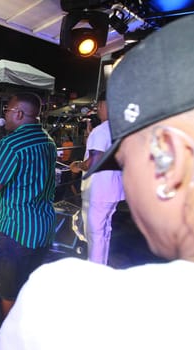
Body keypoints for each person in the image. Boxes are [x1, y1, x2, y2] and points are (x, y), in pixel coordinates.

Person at [0, 13, 194, 350]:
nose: (126, 185)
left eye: (125, 162)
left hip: (16, 231)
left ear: (170, 162)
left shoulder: (65, 299)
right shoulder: (45, 141)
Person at [0, 93, 57, 335]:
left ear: (19, 114)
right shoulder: (48, 141)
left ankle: (8, 336)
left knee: (8, 290)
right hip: (42, 228)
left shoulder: (10, 144)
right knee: (28, 284)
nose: (5, 116)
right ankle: (25, 330)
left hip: (15, 230)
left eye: (7, 111)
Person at [70, 92, 125, 265]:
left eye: (99, 105)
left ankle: (95, 273)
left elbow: (94, 160)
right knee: (104, 231)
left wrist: (78, 165)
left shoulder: (101, 131)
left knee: (94, 234)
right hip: (113, 189)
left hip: (98, 190)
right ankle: (102, 265)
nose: (97, 109)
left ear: (104, 105)